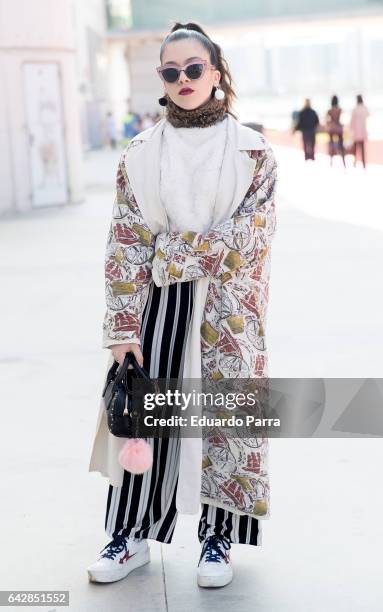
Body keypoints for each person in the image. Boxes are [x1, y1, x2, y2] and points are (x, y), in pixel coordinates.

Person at [87, 21, 277, 589]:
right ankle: (130, 534)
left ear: (216, 73)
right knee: (144, 421)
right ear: (161, 80)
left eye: (195, 68)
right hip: (158, 310)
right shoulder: (140, 154)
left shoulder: (254, 151)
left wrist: (165, 253)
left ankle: (217, 540)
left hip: (227, 311)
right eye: (172, 72)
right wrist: (123, 328)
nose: (184, 79)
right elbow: (125, 243)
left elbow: (246, 242)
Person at [325, 95, 346, 167]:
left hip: (331, 129)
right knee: (341, 145)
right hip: (339, 129)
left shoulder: (329, 110)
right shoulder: (340, 109)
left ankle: (331, 161)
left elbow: (326, 120)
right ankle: (344, 162)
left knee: (331, 145)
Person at [350, 94, 369, 169]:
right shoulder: (364, 108)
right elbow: (368, 115)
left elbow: (352, 122)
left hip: (356, 132)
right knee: (362, 149)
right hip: (362, 131)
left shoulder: (355, 109)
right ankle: (364, 164)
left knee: (355, 149)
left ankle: (355, 162)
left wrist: (351, 130)